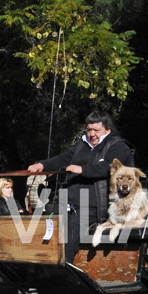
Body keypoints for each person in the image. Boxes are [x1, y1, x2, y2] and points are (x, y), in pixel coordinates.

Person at [27, 111, 133, 259]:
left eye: (96, 130)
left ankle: (63, 271)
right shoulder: (82, 145)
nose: (92, 134)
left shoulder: (119, 147)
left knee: (68, 239)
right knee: (46, 231)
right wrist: (42, 165)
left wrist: (83, 169)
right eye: (89, 130)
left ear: (107, 130)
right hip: (66, 201)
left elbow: (110, 167)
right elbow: (63, 159)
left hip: (94, 206)